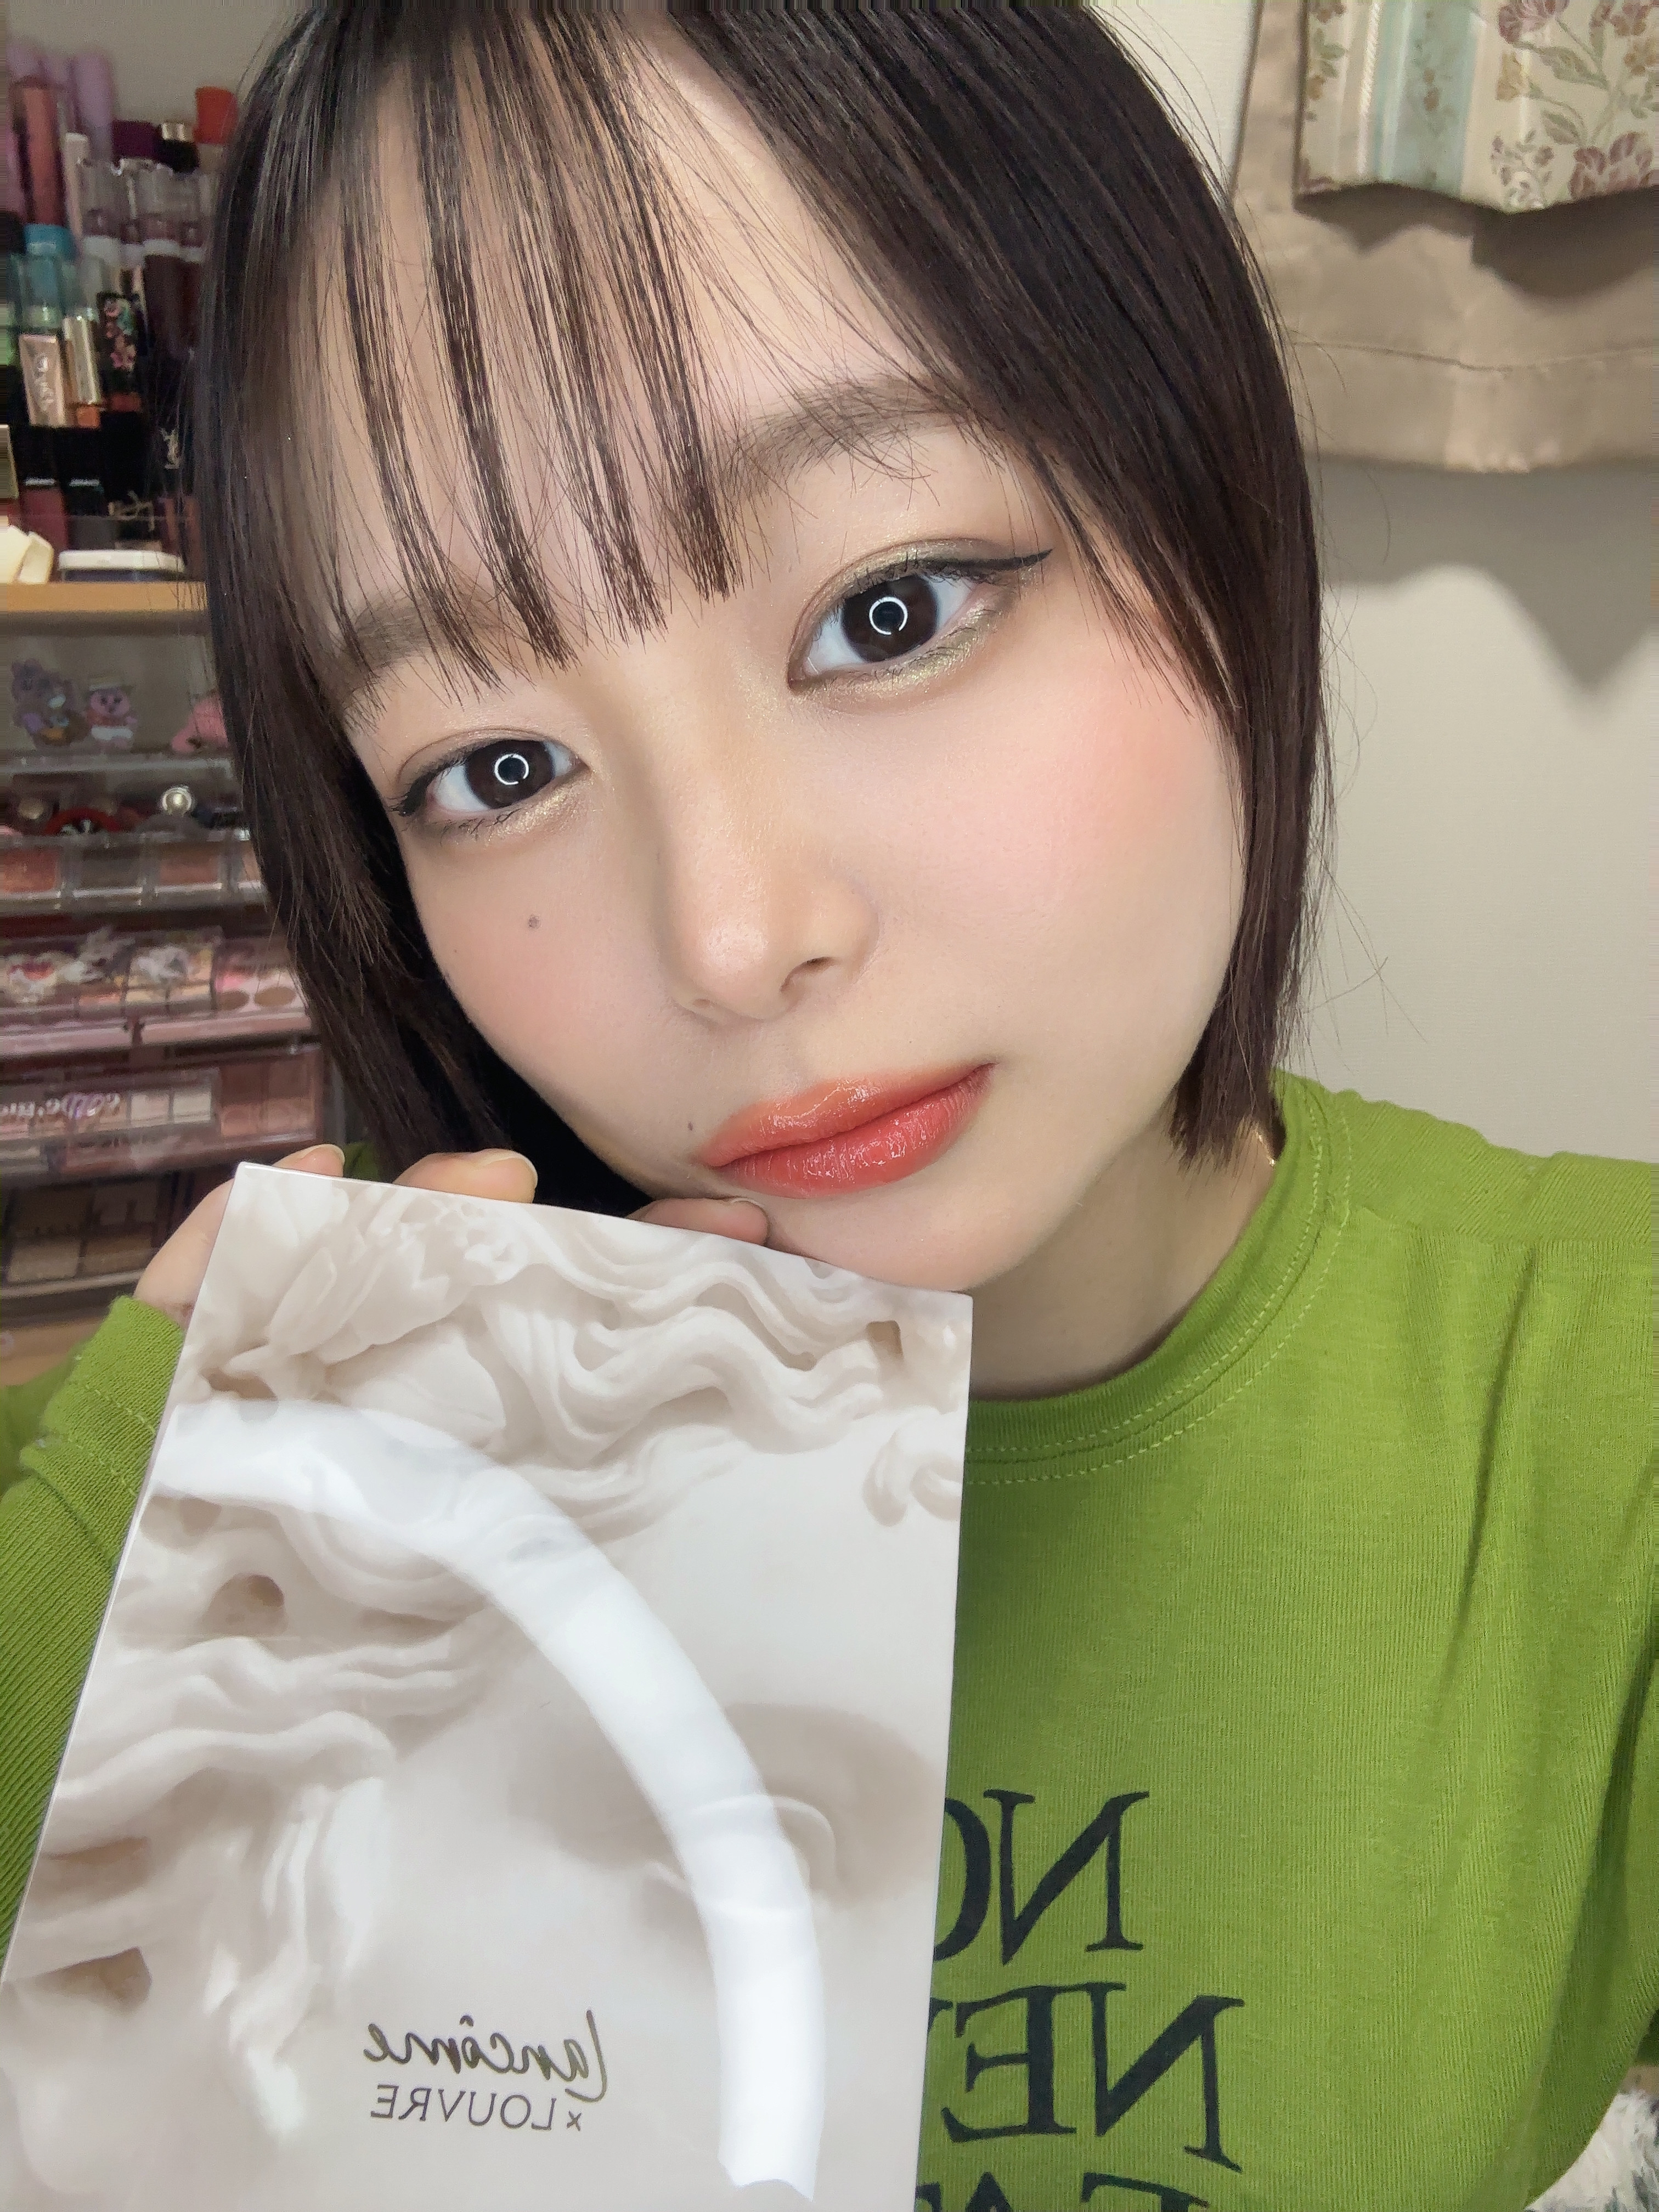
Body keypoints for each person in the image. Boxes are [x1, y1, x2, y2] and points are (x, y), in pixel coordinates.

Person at [0, 8, 1650, 2208]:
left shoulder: (1601, 1407)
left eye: (889, 609)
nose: (731, 935)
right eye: (498, 766)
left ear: (1210, 487)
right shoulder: (217, 1489)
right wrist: (132, 1610)